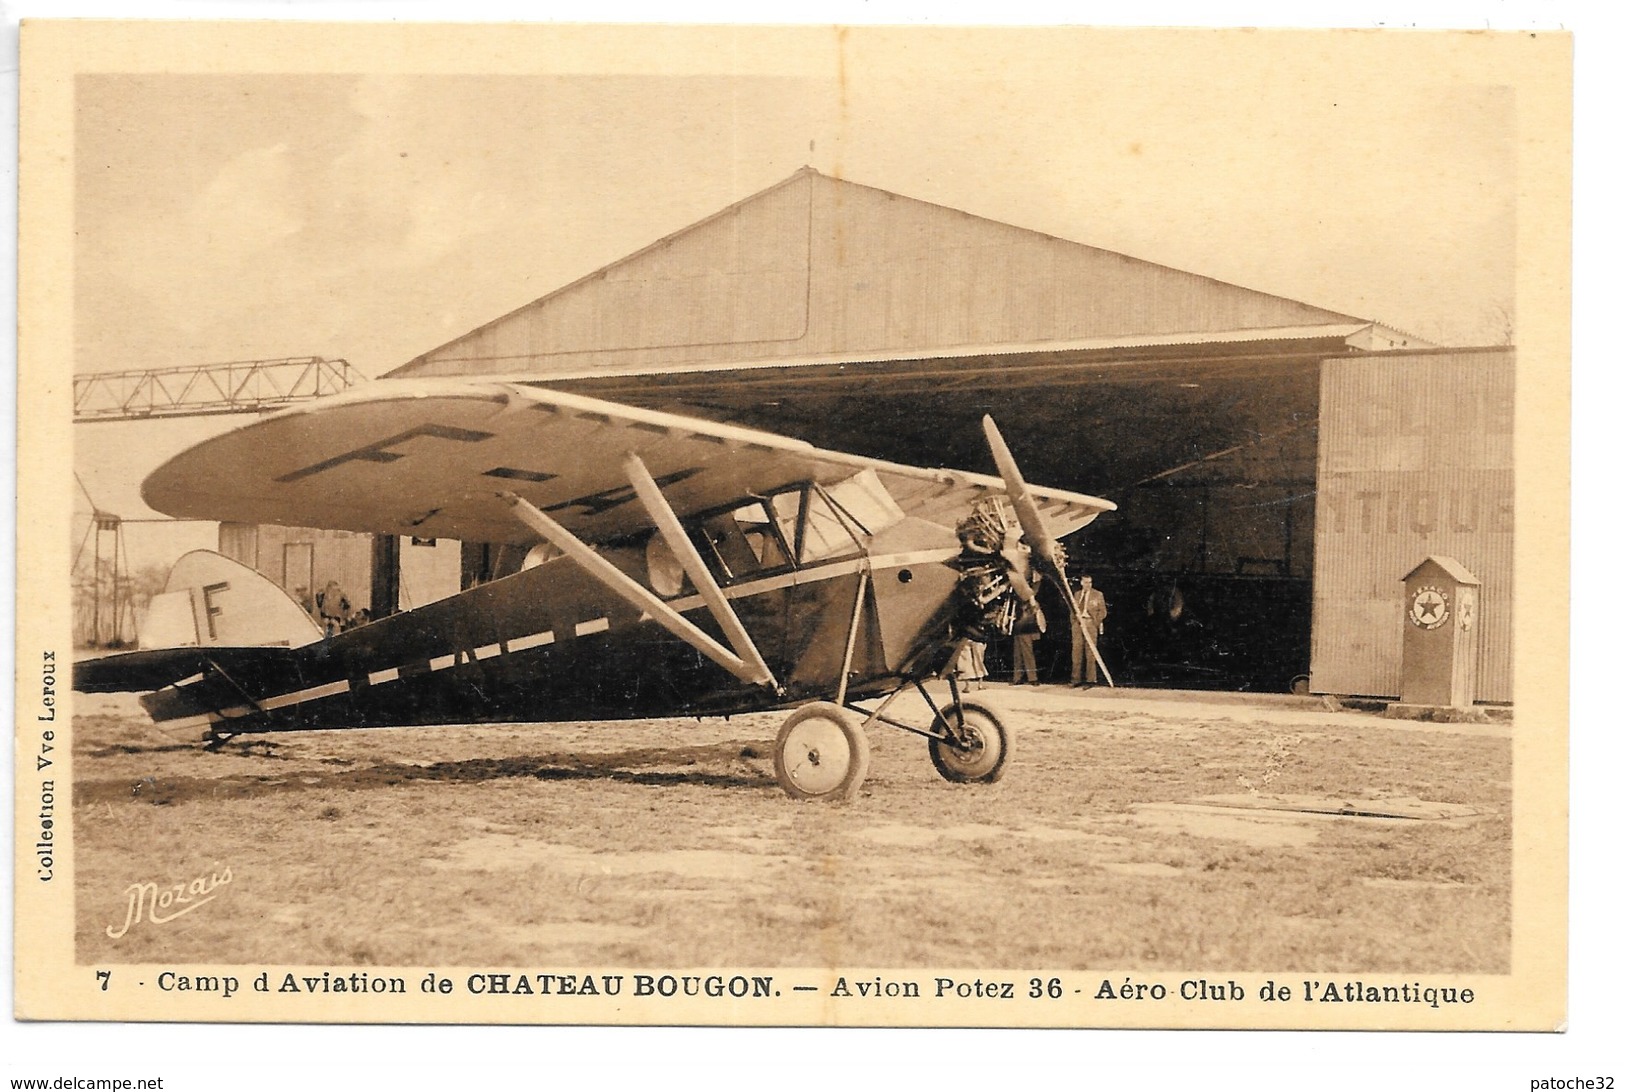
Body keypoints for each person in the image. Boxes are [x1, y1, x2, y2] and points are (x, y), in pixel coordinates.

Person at [1072, 574, 1109, 685]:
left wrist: (1094, 622)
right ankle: (1075, 679)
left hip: (1090, 623)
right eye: (1086, 582)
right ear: (1081, 583)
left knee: (1090, 652)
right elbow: (1072, 610)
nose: (1088, 585)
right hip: (1078, 624)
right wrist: (1074, 622)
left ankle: (1091, 680)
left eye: (1090, 582)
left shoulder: (1098, 594)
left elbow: (1103, 611)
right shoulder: (1077, 594)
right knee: (1076, 652)